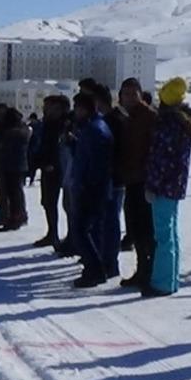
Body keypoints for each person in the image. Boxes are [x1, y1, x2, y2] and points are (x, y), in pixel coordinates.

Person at [143, 78, 191, 297]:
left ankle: (162, 282)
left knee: (163, 236)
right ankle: (171, 279)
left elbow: (160, 158)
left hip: (163, 186)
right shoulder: (185, 123)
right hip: (175, 186)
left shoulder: (167, 124)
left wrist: (152, 185)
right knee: (172, 234)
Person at [69, 92, 114, 287]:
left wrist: (86, 185)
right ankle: (93, 269)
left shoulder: (94, 130)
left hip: (92, 188)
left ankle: (95, 270)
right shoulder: (92, 128)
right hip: (93, 186)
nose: (75, 112)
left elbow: (96, 163)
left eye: (77, 108)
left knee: (81, 230)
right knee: (86, 230)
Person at [117, 78, 157, 289]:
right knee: (136, 228)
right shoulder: (130, 117)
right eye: (126, 94)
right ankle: (142, 270)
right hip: (132, 178)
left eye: (134, 94)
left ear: (141, 95)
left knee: (144, 230)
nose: (130, 98)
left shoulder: (148, 117)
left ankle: (148, 272)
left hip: (144, 180)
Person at [97, 86, 126, 281]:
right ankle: (106, 260)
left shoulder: (111, 122)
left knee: (110, 222)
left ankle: (110, 262)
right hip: (112, 177)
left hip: (113, 178)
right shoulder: (114, 120)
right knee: (107, 221)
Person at [32, 96, 69, 247]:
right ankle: (51, 232)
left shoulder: (63, 124)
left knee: (64, 203)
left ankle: (65, 236)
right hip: (46, 166)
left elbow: (58, 147)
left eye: (48, 107)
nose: (45, 109)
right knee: (47, 202)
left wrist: (51, 163)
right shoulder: (46, 123)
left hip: (58, 167)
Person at [0, 108, 31, 231]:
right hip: (19, 164)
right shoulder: (23, 130)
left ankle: (15, 218)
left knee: (14, 194)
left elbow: (3, 146)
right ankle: (18, 216)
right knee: (17, 193)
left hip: (11, 164)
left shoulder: (12, 132)